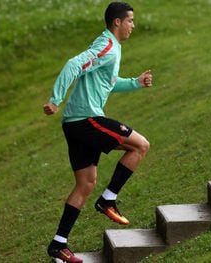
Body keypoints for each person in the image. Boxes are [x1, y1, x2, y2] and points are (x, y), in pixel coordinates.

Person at [43, 2, 153, 262]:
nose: (133, 26)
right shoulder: (106, 47)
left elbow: (108, 84)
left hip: (75, 122)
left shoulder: (111, 47)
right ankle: (108, 199)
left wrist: (135, 83)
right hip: (86, 119)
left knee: (85, 183)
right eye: (130, 21)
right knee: (140, 145)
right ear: (117, 22)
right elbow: (73, 64)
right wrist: (55, 100)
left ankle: (58, 243)